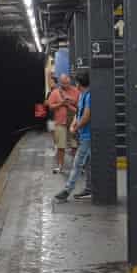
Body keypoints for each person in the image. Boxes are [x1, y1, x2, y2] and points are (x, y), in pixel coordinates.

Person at [55, 71, 92, 201]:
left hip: (88, 136)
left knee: (77, 164)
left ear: (79, 83)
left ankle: (67, 190)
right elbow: (79, 113)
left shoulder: (90, 96)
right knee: (88, 164)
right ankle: (89, 189)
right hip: (83, 135)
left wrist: (76, 127)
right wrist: (74, 124)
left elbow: (87, 116)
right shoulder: (82, 95)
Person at [47, 74, 79, 173]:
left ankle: (76, 166)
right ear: (60, 83)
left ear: (70, 82)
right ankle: (60, 166)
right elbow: (50, 106)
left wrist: (71, 102)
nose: (66, 85)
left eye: (67, 83)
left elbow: (80, 106)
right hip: (60, 122)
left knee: (75, 145)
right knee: (61, 146)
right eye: (64, 83)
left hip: (73, 122)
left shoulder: (76, 91)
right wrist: (61, 104)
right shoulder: (55, 92)